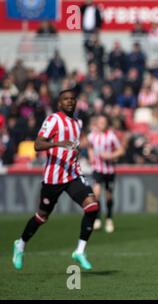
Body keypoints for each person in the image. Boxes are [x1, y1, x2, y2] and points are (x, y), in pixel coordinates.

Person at [12, 89, 100, 271]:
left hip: (73, 174)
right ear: (59, 103)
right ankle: (20, 244)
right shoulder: (53, 120)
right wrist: (57, 143)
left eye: (72, 98)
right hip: (53, 177)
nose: (70, 101)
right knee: (42, 217)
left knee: (92, 207)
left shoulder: (77, 123)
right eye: (66, 99)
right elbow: (37, 144)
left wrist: (82, 148)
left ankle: (80, 251)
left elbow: (78, 144)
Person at [88, 114, 124, 233]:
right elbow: (89, 146)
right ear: (97, 123)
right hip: (98, 169)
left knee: (108, 196)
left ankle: (109, 219)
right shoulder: (92, 135)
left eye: (104, 122)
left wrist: (110, 156)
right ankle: (97, 219)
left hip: (109, 170)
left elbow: (121, 150)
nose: (102, 124)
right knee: (96, 194)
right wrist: (91, 156)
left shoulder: (111, 136)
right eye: (100, 122)